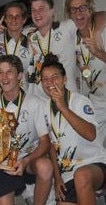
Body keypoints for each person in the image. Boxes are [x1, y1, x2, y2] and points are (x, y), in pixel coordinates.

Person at [0, 54, 53, 205]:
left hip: (29, 161)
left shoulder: (34, 103)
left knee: (45, 166)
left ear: (20, 75)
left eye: (9, 72)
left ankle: (33, 194)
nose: (4, 77)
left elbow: (45, 142)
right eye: (0, 72)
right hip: (4, 165)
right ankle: (22, 190)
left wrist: (25, 161)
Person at [40, 53, 106, 205]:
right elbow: (51, 147)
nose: (50, 82)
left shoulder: (80, 101)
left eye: (54, 77)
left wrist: (63, 107)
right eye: (45, 79)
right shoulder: (43, 108)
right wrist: (57, 179)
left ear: (64, 80)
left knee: (81, 176)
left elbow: (91, 134)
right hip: (68, 172)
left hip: (94, 163)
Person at [65, 0, 106, 147]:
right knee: (94, 146)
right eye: (73, 9)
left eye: (82, 8)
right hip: (97, 100)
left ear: (90, 9)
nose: (78, 13)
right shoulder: (72, 38)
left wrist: (98, 52)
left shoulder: (102, 32)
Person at [26, 0, 79, 99]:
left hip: (66, 95)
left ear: (52, 12)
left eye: (41, 9)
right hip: (40, 99)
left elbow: (91, 18)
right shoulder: (30, 35)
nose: (37, 14)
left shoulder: (67, 27)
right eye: (33, 10)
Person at [0, 1, 31, 95]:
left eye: (17, 16)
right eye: (10, 16)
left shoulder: (31, 43)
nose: (13, 19)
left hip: (23, 96)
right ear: (5, 19)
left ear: (24, 19)